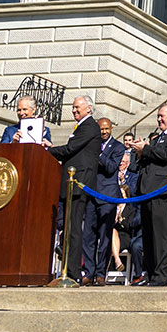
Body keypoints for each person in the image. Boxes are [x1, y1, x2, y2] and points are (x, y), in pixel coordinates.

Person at [47, 95, 102, 283]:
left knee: (74, 229)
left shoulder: (89, 126)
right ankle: (68, 270)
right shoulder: (81, 127)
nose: (74, 110)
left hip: (79, 182)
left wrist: (47, 150)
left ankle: (73, 273)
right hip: (72, 183)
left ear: (88, 108)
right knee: (69, 228)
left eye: (77, 107)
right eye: (73, 107)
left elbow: (71, 149)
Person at [132, 102, 167, 286]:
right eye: (158, 116)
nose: (159, 119)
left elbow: (166, 155)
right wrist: (140, 152)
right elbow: (146, 160)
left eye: (162, 116)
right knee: (148, 235)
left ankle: (163, 274)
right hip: (148, 191)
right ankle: (150, 272)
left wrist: (145, 149)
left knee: (162, 235)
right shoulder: (157, 138)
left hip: (163, 190)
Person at [84, 116, 127, 286]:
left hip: (107, 196)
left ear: (111, 129)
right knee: (88, 236)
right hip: (90, 194)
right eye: (100, 129)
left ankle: (101, 273)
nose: (103, 131)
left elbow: (110, 168)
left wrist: (98, 153)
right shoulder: (90, 144)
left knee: (105, 237)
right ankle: (88, 272)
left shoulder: (118, 146)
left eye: (106, 128)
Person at [112, 150, 145, 284]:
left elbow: (131, 222)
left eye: (124, 162)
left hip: (125, 234)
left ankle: (107, 268)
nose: (121, 164)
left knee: (112, 234)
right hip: (112, 233)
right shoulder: (112, 176)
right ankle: (115, 261)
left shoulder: (131, 206)